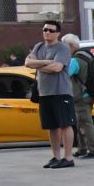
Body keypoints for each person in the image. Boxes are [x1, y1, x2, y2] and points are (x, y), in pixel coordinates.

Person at [25, 19, 76, 169]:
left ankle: (68, 157)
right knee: (52, 126)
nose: (47, 32)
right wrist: (47, 62)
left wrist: (39, 64)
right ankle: (56, 156)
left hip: (61, 92)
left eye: (51, 30)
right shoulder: (38, 46)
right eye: (45, 30)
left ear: (58, 33)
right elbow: (27, 63)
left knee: (65, 124)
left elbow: (57, 68)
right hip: (44, 93)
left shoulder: (62, 49)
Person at [63, 35, 94, 159]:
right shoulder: (87, 56)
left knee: (85, 123)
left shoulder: (75, 60)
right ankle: (82, 148)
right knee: (80, 122)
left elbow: (65, 75)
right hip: (89, 94)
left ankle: (93, 150)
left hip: (80, 96)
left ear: (70, 46)